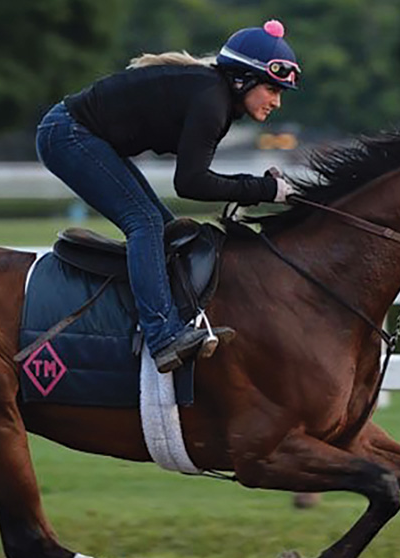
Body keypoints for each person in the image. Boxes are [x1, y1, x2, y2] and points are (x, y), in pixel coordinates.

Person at [36, 19, 300, 373]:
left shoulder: (215, 96)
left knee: (162, 227)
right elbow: (191, 183)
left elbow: (194, 180)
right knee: (144, 222)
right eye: (272, 89)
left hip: (79, 133)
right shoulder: (212, 102)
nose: (277, 103)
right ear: (243, 79)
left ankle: (158, 321)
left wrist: (257, 188)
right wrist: (264, 189)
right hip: (66, 133)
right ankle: (161, 335)